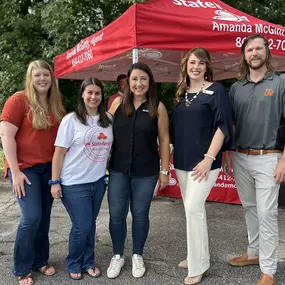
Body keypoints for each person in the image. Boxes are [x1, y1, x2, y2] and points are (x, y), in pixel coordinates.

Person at [224, 34, 285, 285]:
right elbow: (230, 125)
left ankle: (269, 269)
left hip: (269, 156)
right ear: (244, 55)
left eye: (259, 48)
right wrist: (228, 152)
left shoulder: (281, 82)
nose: (254, 53)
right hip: (240, 157)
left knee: (267, 212)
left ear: (266, 53)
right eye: (249, 49)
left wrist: (284, 159)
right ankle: (253, 252)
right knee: (249, 208)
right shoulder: (236, 88)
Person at [171, 47, 235, 285]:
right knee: (192, 212)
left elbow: (223, 126)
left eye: (200, 63)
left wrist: (209, 159)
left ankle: (199, 266)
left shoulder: (217, 91)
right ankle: (195, 255)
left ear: (207, 66)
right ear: (185, 66)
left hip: (205, 162)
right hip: (183, 162)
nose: (196, 67)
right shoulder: (182, 93)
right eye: (192, 63)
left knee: (193, 208)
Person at [0, 60, 66, 285]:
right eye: (37, 75)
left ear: (51, 77)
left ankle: (40, 260)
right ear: (30, 77)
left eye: (46, 75)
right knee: (31, 218)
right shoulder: (18, 100)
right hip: (26, 170)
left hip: (49, 169)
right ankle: (22, 267)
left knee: (44, 218)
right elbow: (6, 136)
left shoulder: (55, 103)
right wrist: (15, 171)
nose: (42, 79)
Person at [106, 62, 170, 279]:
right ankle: (117, 255)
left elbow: (164, 138)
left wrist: (164, 171)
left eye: (143, 79)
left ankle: (137, 255)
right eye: (134, 79)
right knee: (116, 216)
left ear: (150, 81)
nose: (138, 83)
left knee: (140, 215)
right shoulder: (116, 105)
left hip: (146, 172)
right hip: (118, 170)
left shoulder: (157, 107)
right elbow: (103, 134)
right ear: (127, 82)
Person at [50, 77, 113, 280]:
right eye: (90, 93)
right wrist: (55, 181)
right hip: (74, 183)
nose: (93, 96)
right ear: (83, 95)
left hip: (97, 182)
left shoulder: (108, 120)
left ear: (102, 95)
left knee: (90, 223)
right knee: (82, 225)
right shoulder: (71, 120)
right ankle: (74, 262)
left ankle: (88, 262)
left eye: (97, 93)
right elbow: (58, 153)